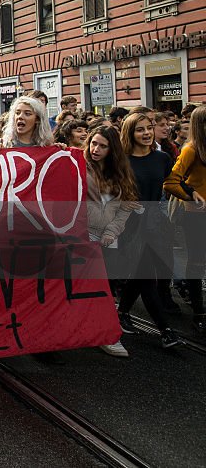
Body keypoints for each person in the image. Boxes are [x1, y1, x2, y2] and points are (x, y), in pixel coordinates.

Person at [116, 112, 180, 348]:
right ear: (130, 133)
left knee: (144, 275)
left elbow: (171, 184)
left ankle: (122, 311)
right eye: (140, 129)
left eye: (149, 128)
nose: (146, 133)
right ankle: (166, 330)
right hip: (129, 225)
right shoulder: (120, 160)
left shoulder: (162, 159)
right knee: (147, 277)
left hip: (155, 224)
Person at [84, 125, 139, 357]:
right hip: (80, 237)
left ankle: (105, 334)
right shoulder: (78, 165)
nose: (95, 149)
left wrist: (112, 232)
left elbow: (126, 207)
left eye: (102, 146)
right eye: (93, 143)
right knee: (84, 288)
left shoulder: (120, 174)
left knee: (104, 289)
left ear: (112, 150)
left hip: (108, 240)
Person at [164, 105, 206, 333]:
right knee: (197, 263)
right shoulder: (192, 149)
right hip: (196, 215)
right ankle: (199, 312)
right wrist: (191, 194)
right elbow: (171, 181)